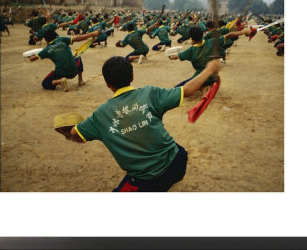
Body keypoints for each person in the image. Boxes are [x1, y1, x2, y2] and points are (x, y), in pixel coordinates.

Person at [67, 56, 220, 192]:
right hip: (177, 162)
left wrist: (72, 128)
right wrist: (209, 69)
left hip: (147, 179)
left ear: (107, 84)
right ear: (132, 77)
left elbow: (75, 133)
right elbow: (187, 90)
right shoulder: (150, 93)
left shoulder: (100, 115)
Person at [170, 26, 253, 89]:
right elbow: (229, 35)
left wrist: (171, 56)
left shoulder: (191, 50)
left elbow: (175, 57)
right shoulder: (212, 42)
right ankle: (206, 86)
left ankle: (203, 87)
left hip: (200, 77)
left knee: (178, 88)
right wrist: (245, 31)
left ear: (192, 39)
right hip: (213, 77)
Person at [29, 28, 100, 91]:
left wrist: (31, 55)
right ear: (55, 35)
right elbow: (78, 38)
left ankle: (59, 81)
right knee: (78, 57)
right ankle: (80, 80)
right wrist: (93, 33)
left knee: (45, 83)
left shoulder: (46, 50)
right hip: (74, 71)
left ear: (45, 39)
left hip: (61, 73)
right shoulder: (61, 39)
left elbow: (32, 59)